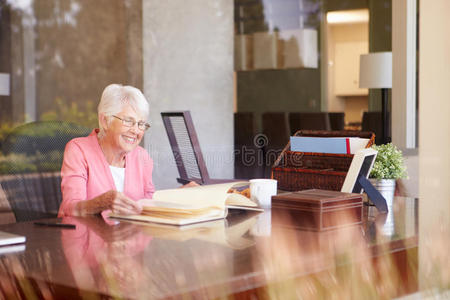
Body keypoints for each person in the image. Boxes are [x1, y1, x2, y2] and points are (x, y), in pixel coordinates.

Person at [58, 84, 154, 217]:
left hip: (129, 236)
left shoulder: (142, 156)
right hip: (85, 236)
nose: (136, 130)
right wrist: (101, 203)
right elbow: (70, 208)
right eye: (128, 121)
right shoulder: (78, 150)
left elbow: (149, 206)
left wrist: (179, 196)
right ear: (105, 121)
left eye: (141, 124)